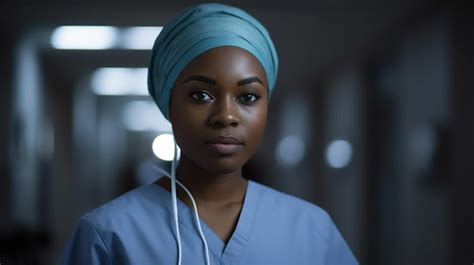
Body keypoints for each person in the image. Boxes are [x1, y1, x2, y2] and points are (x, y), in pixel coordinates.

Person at [59, 3, 358, 265]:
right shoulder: (109, 234)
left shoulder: (312, 230)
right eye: (201, 95)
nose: (226, 116)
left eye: (248, 97)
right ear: (168, 102)